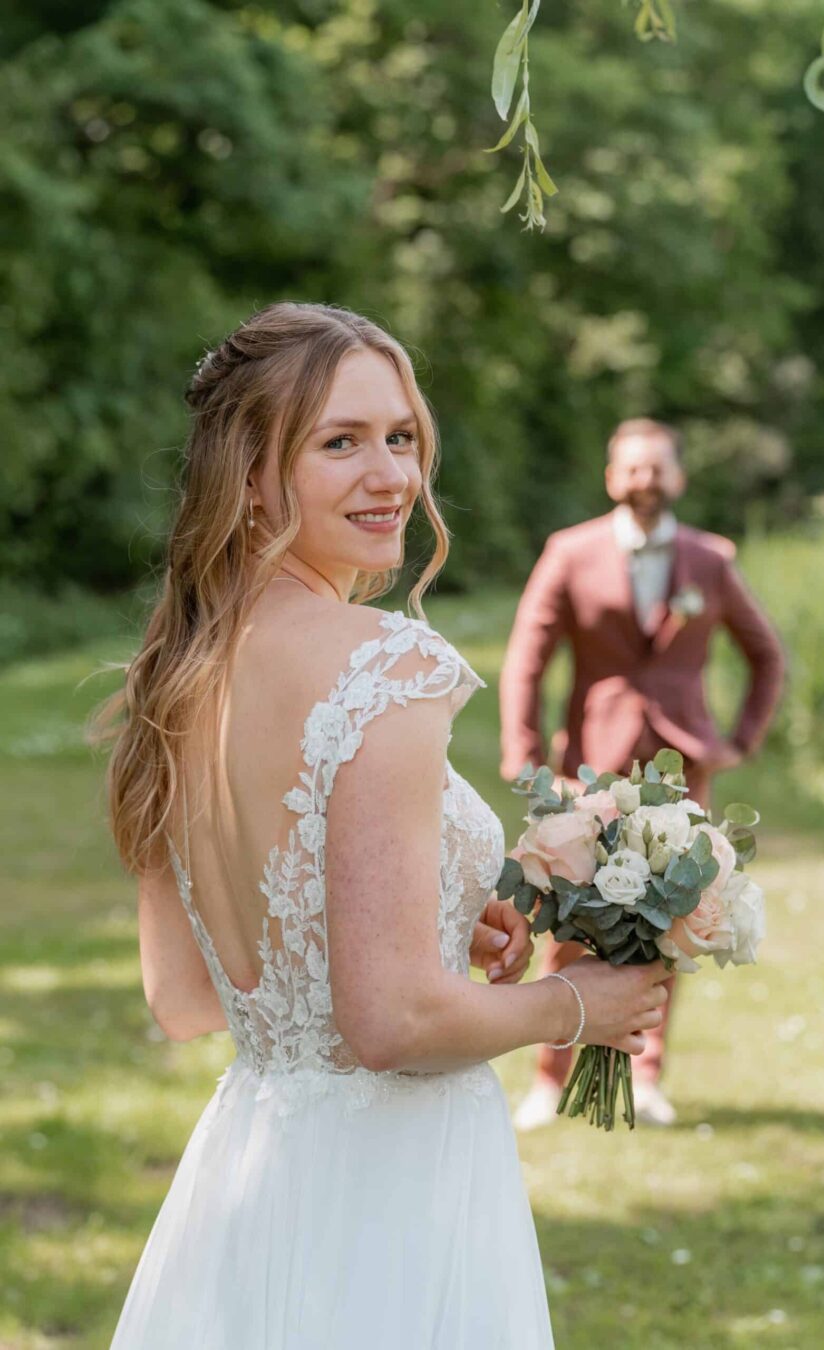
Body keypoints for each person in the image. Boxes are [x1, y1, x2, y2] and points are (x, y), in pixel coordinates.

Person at [99, 304, 670, 1348]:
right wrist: (570, 1006)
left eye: (400, 436)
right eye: (340, 442)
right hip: (393, 1186)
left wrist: (437, 936)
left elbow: (185, 1000)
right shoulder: (385, 665)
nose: (391, 476)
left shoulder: (179, 675)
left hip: (255, 1172)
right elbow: (391, 1027)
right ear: (254, 474)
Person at [500, 417, 785, 1131]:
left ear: (678, 478)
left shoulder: (710, 560)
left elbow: (766, 655)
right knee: (569, 917)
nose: (645, 482)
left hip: (685, 767)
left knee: (677, 920)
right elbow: (526, 658)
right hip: (589, 768)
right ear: (611, 477)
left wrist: (738, 740)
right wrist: (526, 755)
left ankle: (649, 1074)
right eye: (632, 469)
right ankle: (548, 1075)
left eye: (657, 469)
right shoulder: (570, 553)